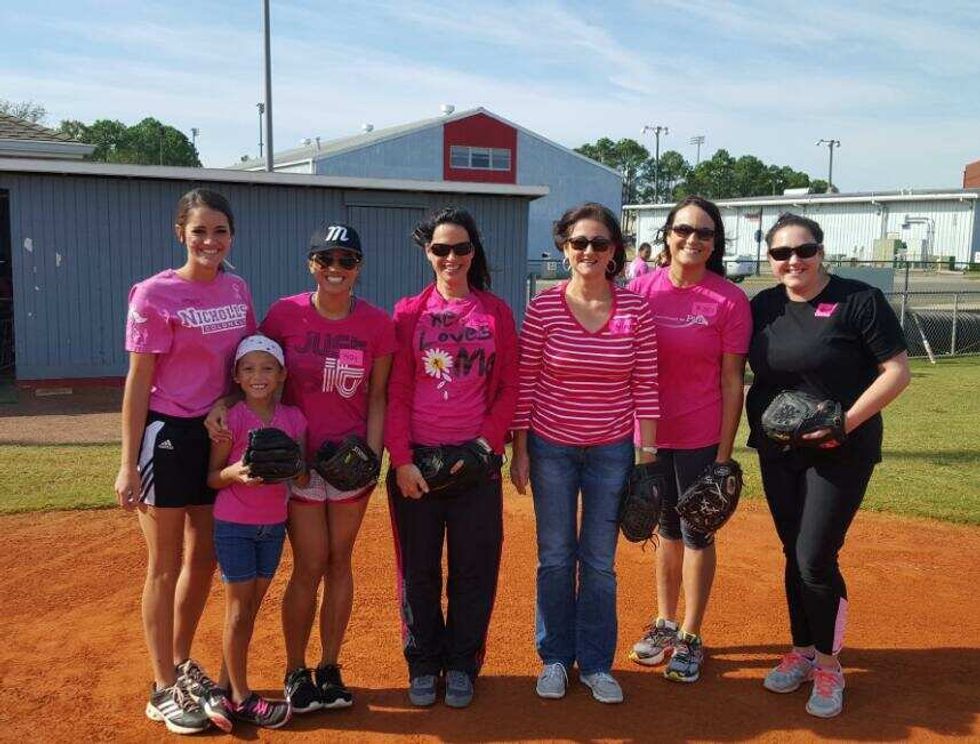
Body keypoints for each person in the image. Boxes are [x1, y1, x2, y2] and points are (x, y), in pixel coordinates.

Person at [209, 223, 397, 712]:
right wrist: (227, 401)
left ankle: (330, 666)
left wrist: (372, 460)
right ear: (311, 264)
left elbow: (377, 396)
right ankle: (296, 669)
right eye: (326, 259)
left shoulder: (377, 324)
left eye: (347, 260)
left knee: (341, 562)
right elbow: (257, 369)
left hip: (351, 463)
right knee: (310, 563)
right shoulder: (285, 313)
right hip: (297, 464)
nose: (336, 269)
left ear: (359, 267)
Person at [747, 212, 910, 718]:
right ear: (770, 259)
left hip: (841, 451)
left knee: (815, 556)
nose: (793, 261)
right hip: (779, 450)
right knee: (791, 553)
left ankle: (828, 662)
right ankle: (801, 648)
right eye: (781, 253)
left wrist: (845, 423)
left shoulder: (858, 299)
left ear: (821, 250)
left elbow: (897, 372)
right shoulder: (764, 306)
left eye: (804, 250)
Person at [114, 188, 256, 735]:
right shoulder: (154, 294)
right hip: (167, 435)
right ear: (182, 233)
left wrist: (227, 403)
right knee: (164, 564)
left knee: (204, 560)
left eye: (220, 231)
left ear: (231, 236)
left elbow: (240, 363)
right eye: (199, 231)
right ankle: (161, 686)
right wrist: (129, 463)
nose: (210, 241)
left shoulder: (237, 288)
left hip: (215, 433)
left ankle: (179, 662)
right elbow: (137, 382)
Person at [510, 202, 659, 705]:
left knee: (598, 561)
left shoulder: (635, 308)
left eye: (599, 243)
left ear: (615, 250)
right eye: (579, 243)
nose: (589, 251)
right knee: (554, 557)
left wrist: (648, 457)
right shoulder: (544, 308)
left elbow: (647, 385)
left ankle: (595, 663)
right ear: (564, 248)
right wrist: (521, 451)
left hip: (612, 451)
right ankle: (554, 658)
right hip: (551, 446)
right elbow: (526, 383)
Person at [385, 206, 518, 709]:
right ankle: (423, 662)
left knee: (473, 570)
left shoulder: (495, 312)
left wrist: (485, 445)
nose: (451, 257)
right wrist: (402, 461)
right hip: (418, 466)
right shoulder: (407, 313)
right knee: (417, 571)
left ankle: (462, 663)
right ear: (428, 253)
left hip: (475, 465)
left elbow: (508, 386)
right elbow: (396, 392)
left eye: (461, 248)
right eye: (441, 249)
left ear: (473, 251)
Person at [626, 195, 751, 683]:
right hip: (651, 435)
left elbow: (731, 381)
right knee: (665, 531)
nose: (692, 240)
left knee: (698, 532)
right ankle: (665, 622)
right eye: (683, 230)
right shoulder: (641, 291)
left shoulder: (728, 299)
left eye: (704, 233)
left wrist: (724, 456)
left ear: (714, 242)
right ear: (667, 234)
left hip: (701, 434)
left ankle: (692, 635)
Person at [206, 335, 306, 730]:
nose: (258, 376)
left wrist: (295, 466)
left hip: (273, 525)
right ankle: (242, 697)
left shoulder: (295, 419)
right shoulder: (231, 418)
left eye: (267, 368)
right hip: (234, 524)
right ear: (237, 376)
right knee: (238, 609)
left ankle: (225, 687)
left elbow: (302, 474)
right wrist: (234, 472)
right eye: (248, 369)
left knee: (250, 609)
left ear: (281, 374)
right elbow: (213, 477)